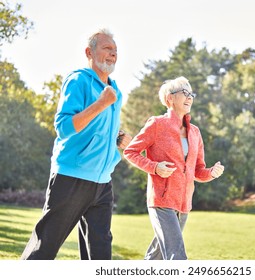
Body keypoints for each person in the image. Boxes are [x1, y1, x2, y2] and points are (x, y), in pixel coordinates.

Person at [21, 28, 132, 260]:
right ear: (89, 52)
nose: (113, 55)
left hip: (102, 182)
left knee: (100, 254)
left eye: (115, 51)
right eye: (107, 48)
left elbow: (98, 129)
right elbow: (64, 127)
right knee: (45, 247)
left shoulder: (115, 90)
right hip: (72, 177)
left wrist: (117, 137)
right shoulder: (78, 80)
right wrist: (101, 104)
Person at [123, 76, 224, 260]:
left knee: (157, 256)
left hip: (184, 202)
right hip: (162, 200)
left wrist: (211, 173)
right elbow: (130, 152)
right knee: (176, 255)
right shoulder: (157, 124)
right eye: (184, 93)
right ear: (170, 98)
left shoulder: (194, 132)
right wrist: (155, 167)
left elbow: (198, 170)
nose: (190, 97)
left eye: (191, 93)